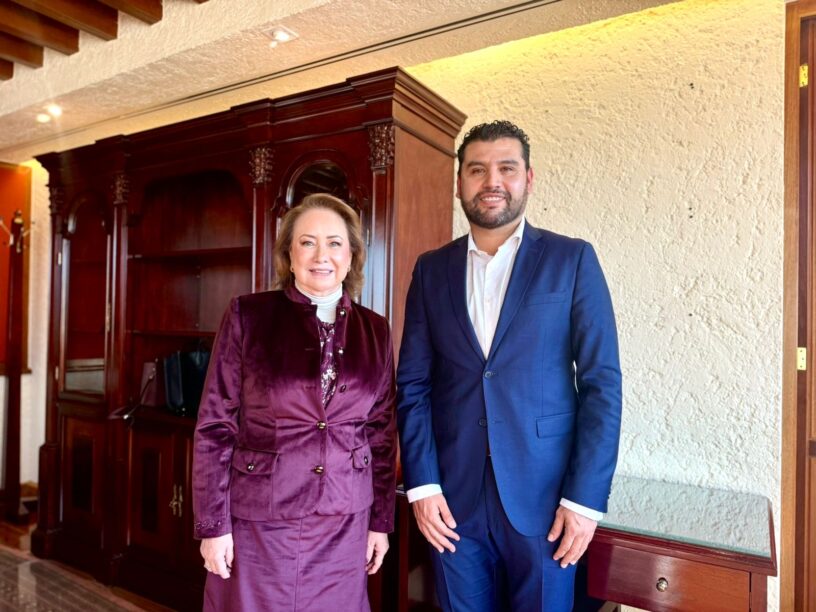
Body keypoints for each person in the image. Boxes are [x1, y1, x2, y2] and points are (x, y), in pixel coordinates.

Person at [397, 120, 622, 611]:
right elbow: (413, 385)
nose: (491, 181)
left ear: (529, 178)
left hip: (547, 504)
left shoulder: (572, 260)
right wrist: (422, 485)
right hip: (451, 503)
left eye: (506, 168)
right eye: (477, 170)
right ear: (460, 183)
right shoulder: (431, 270)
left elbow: (602, 385)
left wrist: (584, 500)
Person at [192, 193, 397, 611]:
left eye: (335, 243)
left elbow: (380, 433)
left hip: (345, 523)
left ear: (352, 255)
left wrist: (381, 522)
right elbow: (216, 426)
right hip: (261, 520)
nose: (322, 255)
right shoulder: (247, 316)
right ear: (289, 253)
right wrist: (213, 526)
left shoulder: (375, 330)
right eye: (307, 242)